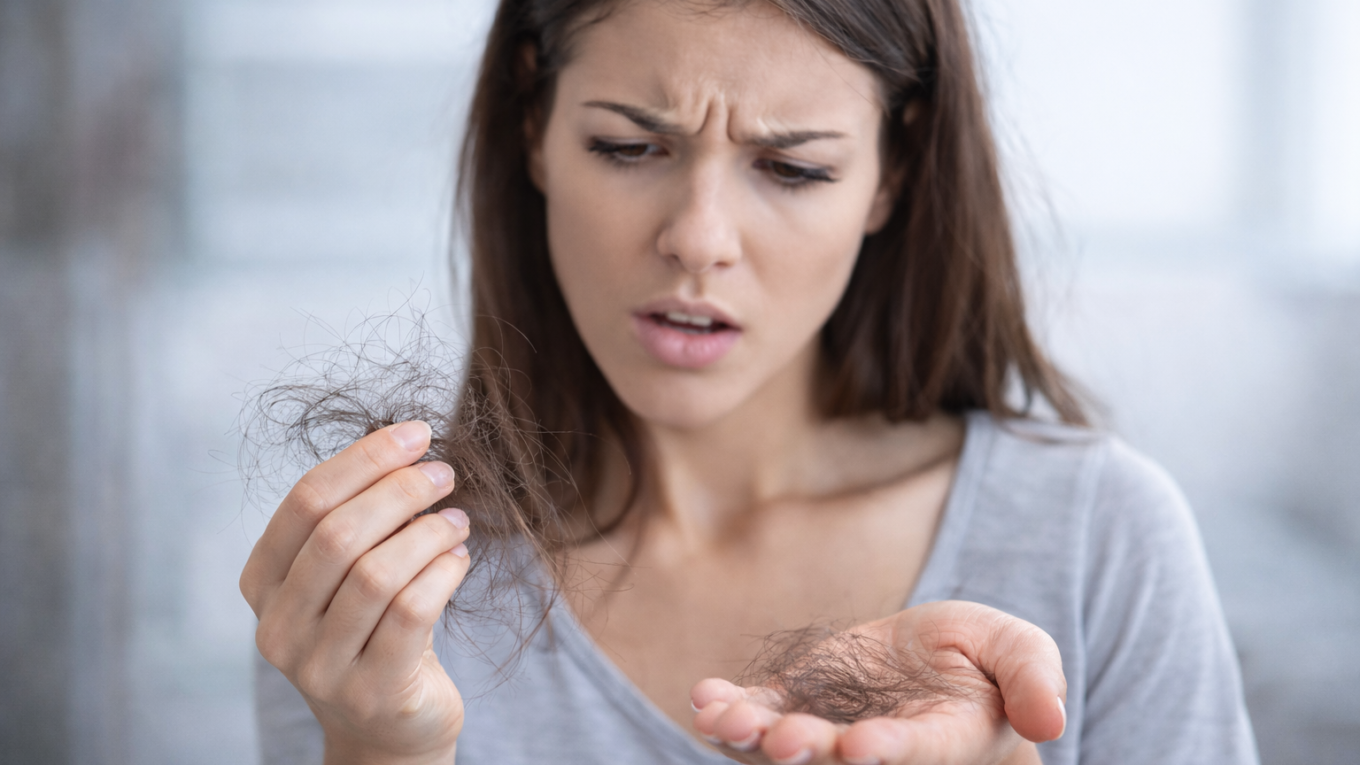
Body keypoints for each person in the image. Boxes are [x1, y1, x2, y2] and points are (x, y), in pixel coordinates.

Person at [240, 0, 1258, 762]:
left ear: (892, 173)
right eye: (629, 146)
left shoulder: (1097, 535)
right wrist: (379, 750)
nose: (698, 239)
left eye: (792, 168)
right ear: (532, 126)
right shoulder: (383, 588)